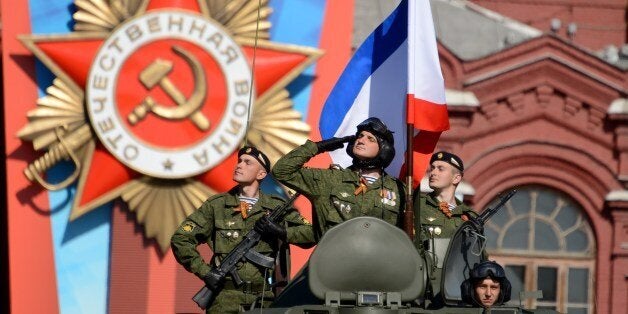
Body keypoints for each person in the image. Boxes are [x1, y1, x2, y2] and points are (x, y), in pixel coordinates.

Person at [171, 146, 315, 313]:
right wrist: (205, 272)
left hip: (262, 300)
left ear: (261, 174)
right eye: (239, 161)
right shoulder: (217, 205)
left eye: (248, 163)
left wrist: (280, 231)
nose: (239, 165)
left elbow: (311, 234)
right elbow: (181, 239)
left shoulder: (276, 207)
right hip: (224, 299)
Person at [272, 117, 405, 239]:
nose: (361, 140)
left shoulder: (399, 191)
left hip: (378, 263)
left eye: (370, 139)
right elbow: (282, 171)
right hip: (333, 261)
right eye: (360, 136)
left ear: (384, 150)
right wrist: (318, 147)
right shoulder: (329, 179)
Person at [414, 151, 480, 305]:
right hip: (423, 290)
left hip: (457, 290)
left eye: (440, 169)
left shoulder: (469, 217)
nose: (433, 172)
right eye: (432, 168)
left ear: (456, 178)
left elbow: (477, 255)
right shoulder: (418, 205)